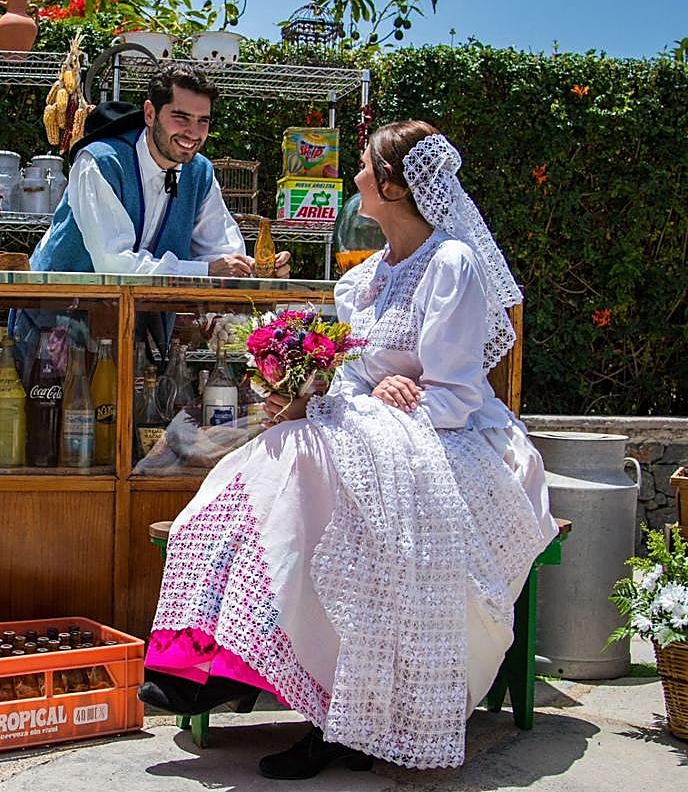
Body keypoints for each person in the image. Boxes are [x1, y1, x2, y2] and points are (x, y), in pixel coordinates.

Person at [139, 121, 560, 779]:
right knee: (279, 455)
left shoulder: (450, 264)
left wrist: (384, 394)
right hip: (372, 430)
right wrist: (344, 388)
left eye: (364, 166)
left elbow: (452, 397)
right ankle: (211, 657)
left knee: (310, 468)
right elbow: (355, 374)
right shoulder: (367, 278)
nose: (354, 176)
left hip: (457, 440)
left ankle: (316, 700)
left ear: (392, 185)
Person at [29, 63, 290, 279]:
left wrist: (251, 268)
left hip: (134, 325)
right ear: (150, 114)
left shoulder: (200, 173)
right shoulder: (100, 162)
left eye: (203, 121)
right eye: (181, 117)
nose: (193, 132)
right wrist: (205, 270)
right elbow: (114, 263)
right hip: (54, 317)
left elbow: (221, 250)